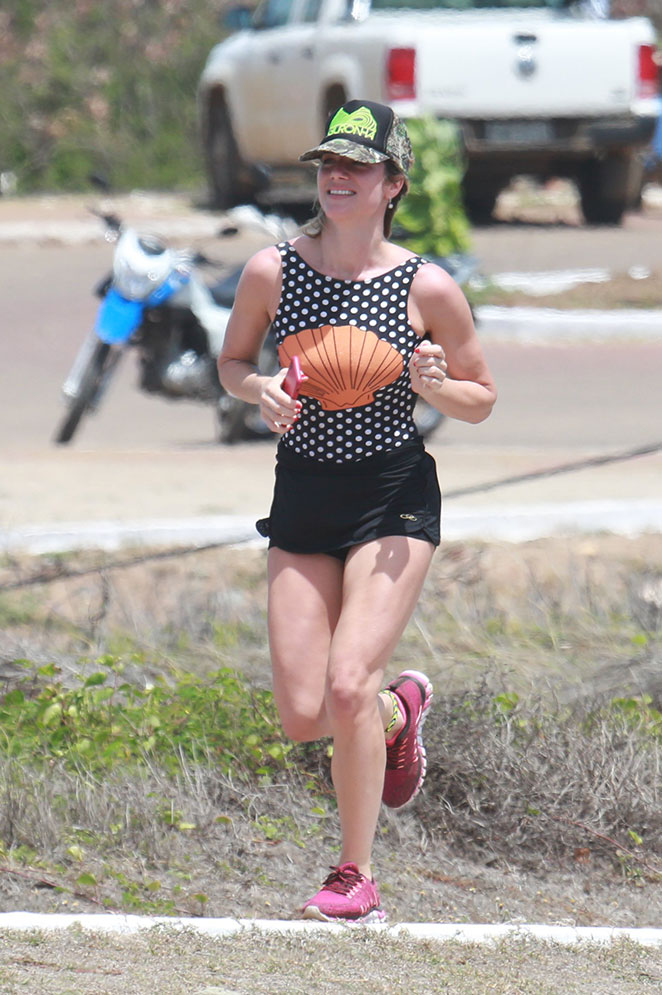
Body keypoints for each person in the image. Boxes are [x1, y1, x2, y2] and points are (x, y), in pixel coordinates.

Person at [218, 99, 497, 922]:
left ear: (393, 184)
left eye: (357, 166)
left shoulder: (426, 285)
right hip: (303, 492)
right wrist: (258, 386)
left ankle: (355, 874)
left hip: (392, 497)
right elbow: (233, 361)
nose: (336, 177)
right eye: (328, 164)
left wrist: (437, 385)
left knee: (346, 682)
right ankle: (398, 712)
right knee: (307, 713)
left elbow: (482, 398)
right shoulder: (273, 270)